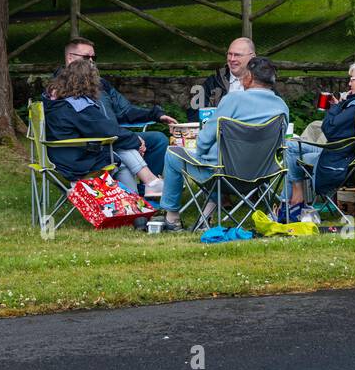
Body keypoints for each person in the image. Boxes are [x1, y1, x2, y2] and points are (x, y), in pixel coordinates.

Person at [159, 56, 290, 230]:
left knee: (173, 154)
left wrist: (201, 154)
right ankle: (205, 217)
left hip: (223, 175)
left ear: (249, 78)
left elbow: (204, 140)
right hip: (262, 176)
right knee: (219, 161)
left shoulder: (232, 100)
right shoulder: (281, 107)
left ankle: (172, 218)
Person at [281, 61, 355, 219]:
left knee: (291, 148)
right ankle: (295, 200)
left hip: (346, 163)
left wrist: (336, 107)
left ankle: (290, 204)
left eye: (353, 79)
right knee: (295, 151)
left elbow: (330, 130)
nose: (349, 83)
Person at [43, 59, 164, 196]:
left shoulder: (57, 102)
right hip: (77, 163)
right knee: (119, 146)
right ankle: (147, 187)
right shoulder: (78, 106)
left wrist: (132, 139)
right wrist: (136, 140)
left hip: (61, 158)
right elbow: (107, 131)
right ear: (88, 81)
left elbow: (102, 130)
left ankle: (136, 201)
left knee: (119, 155)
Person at [59, 38, 178, 176]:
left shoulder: (101, 84)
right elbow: (94, 127)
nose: (91, 61)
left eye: (93, 57)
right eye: (86, 57)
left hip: (115, 137)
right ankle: (145, 185)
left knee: (158, 140)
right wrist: (131, 140)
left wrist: (156, 115)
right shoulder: (60, 89)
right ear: (70, 58)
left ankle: (146, 191)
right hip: (90, 144)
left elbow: (125, 110)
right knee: (125, 149)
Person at [200, 37, 256, 108]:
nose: (232, 59)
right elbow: (196, 112)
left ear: (252, 57)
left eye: (237, 55)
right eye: (229, 54)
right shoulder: (214, 81)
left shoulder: (263, 81)